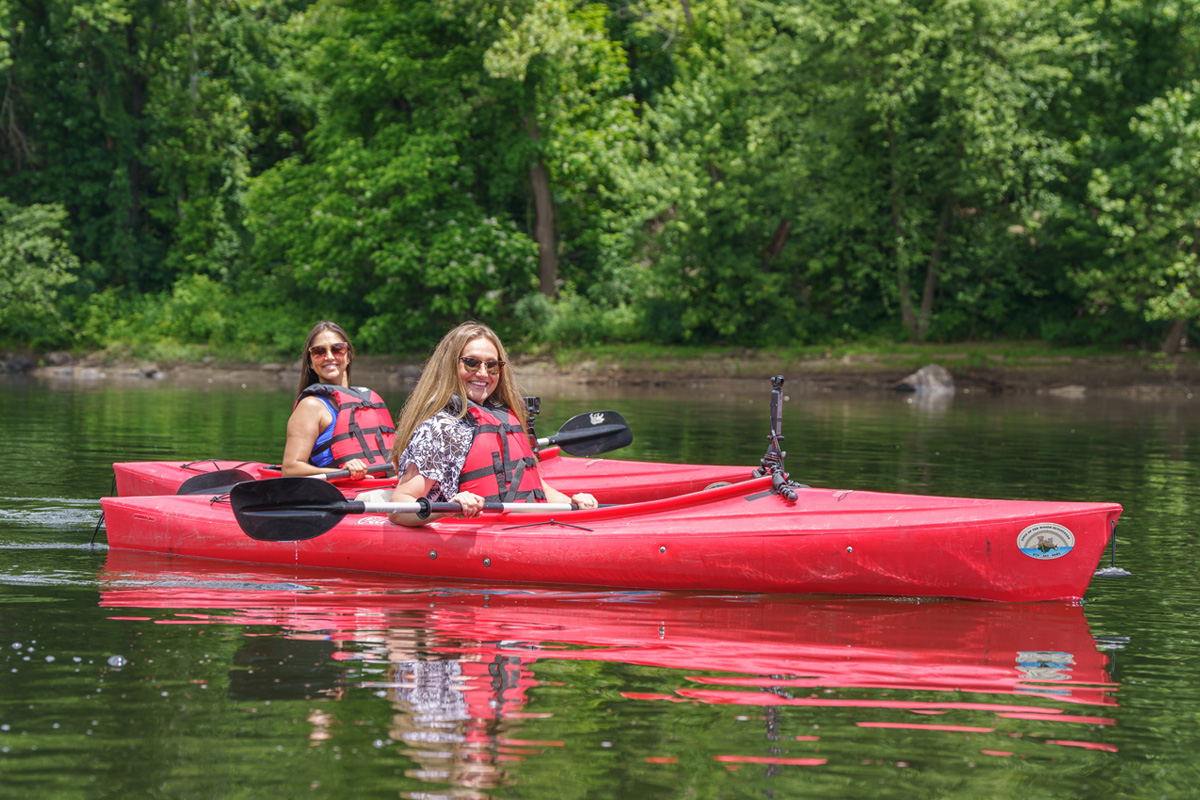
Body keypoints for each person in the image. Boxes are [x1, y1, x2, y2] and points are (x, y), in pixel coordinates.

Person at [387, 321, 597, 526]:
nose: (483, 373)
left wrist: (572, 502)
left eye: (492, 365)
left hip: (527, 527)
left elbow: (536, 486)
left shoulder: (504, 416)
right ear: (450, 365)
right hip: (474, 537)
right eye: (471, 363)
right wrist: (449, 508)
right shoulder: (442, 428)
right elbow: (399, 507)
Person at [281, 321, 395, 479]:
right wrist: (343, 473)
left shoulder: (368, 402)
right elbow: (290, 469)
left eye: (337, 349)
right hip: (343, 494)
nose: (329, 357)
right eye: (319, 351)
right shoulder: (311, 406)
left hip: (384, 486)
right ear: (311, 362)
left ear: (348, 356)